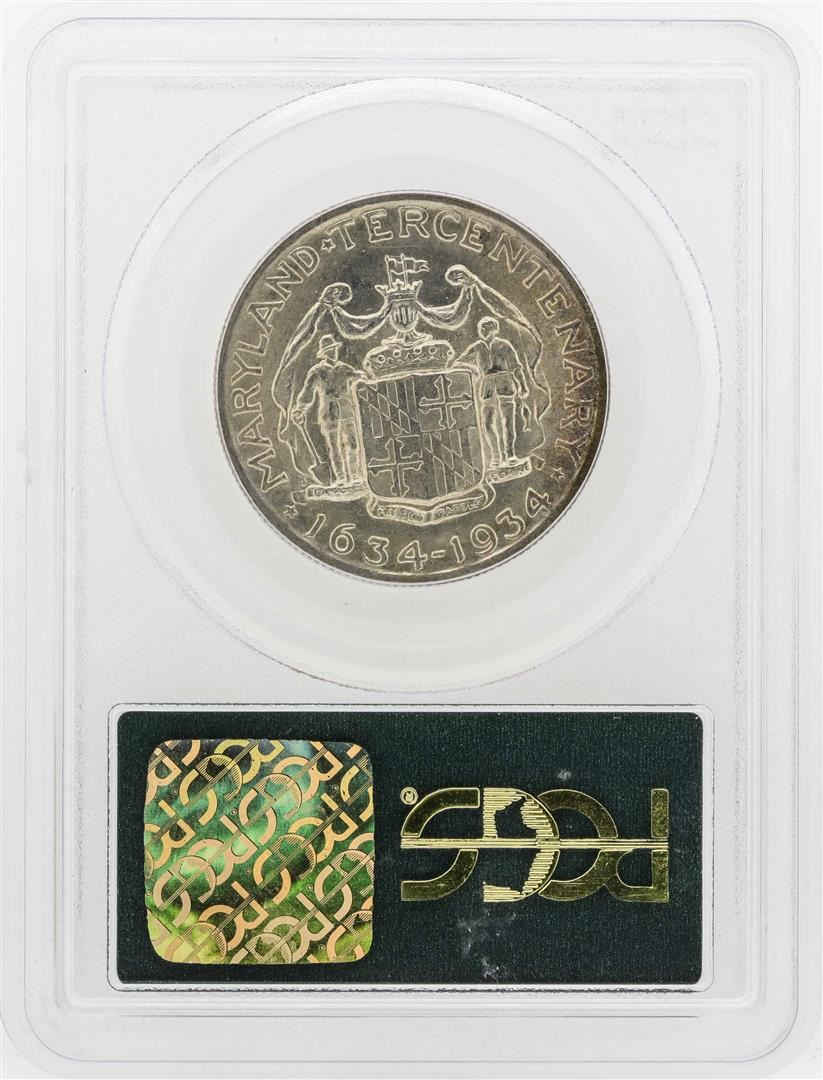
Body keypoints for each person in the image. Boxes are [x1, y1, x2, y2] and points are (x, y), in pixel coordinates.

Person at [453, 316, 528, 467]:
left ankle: (510, 454)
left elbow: (516, 367)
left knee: (508, 423)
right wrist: (473, 367)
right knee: (487, 424)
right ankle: (495, 457)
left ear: (493, 329)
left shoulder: (503, 345)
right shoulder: (477, 347)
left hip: (505, 385)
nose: (481, 331)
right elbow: (457, 363)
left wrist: (523, 386)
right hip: (487, 388)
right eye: (480, 328)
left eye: (484, 328)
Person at [290, 334, 361, 488]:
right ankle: (341, 478)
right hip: (329, 413)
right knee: (334, 446)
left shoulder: (344, 368)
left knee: (352, 443)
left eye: (334, 349)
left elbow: (359, 378)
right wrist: (300, 409)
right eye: (330, 350)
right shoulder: (318, 371)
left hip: (347, 411)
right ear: (324, 353)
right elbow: (307, 392)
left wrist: (367, 377)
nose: (333, 352)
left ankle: (355, 476)